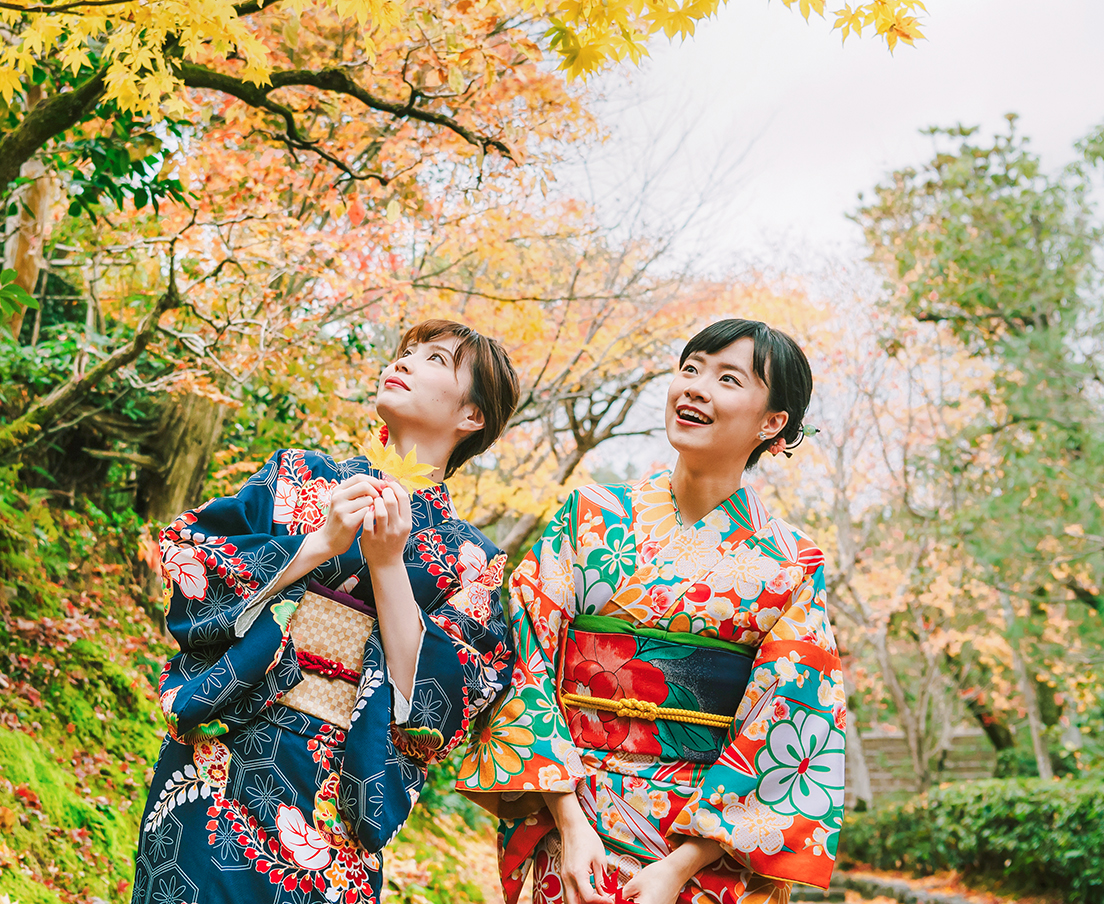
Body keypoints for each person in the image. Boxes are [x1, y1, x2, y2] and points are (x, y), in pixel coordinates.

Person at [132, 320, 521, 904]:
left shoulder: (474, 561)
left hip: (335, 787)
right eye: (406, 350)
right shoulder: (299, 476)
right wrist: (317, 545)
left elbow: (439, 709)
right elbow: (194, 561)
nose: (407, 362)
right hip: (222, 753)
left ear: (473, 417)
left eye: (435, 359)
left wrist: (389, 566)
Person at [458, 319, 844, 904]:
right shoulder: (590, 515)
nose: (695, 387)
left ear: (772, 423)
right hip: (571, 813)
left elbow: (791, 719)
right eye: (689, 369)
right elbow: (525, 658)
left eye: (727, 378)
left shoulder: (791, 562)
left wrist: (681, 866)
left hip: (705, 842)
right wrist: (569, 819)